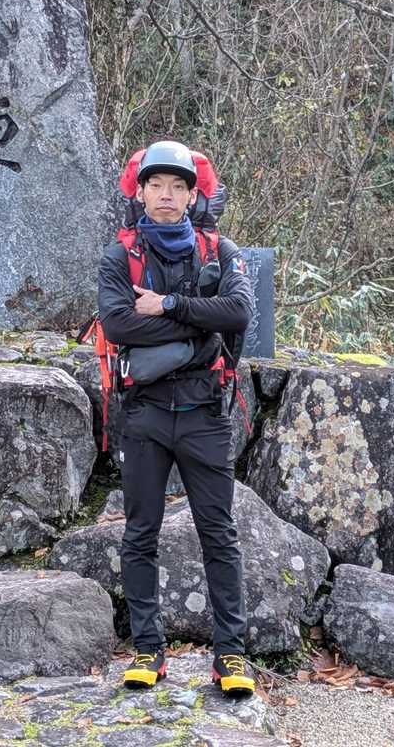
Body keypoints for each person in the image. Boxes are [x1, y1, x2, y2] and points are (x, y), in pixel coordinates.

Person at [96, 139, 256, 696]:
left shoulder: (220, 251)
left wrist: (167, 305)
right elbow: (118, 325)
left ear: (193, 196)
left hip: (205, 412)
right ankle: (148, 649)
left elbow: (239, 312)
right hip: (143, 413)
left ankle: (230, 656)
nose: (166, 195)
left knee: (219, 533)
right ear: (140, 193)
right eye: (156, 185)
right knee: (140, 532)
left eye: (178, 186)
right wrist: (200, 329)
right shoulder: (120, 256)